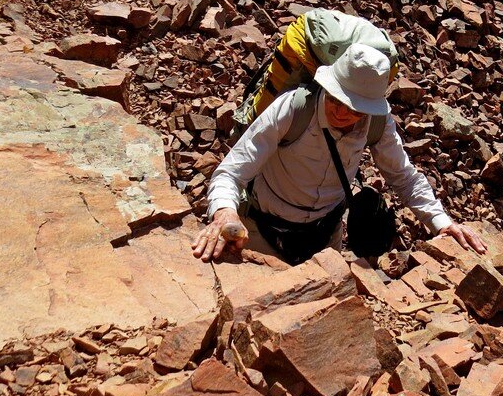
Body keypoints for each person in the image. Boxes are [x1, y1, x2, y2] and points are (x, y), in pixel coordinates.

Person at [192, 43, 487, 263]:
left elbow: (404, 177)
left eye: (354, 107)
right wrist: (225, 212)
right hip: (264, 233)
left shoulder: (377, 122)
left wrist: (442, 222)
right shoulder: (293, 109)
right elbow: (231, 173)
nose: (341, 111)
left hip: (325, 238)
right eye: (336, 98)